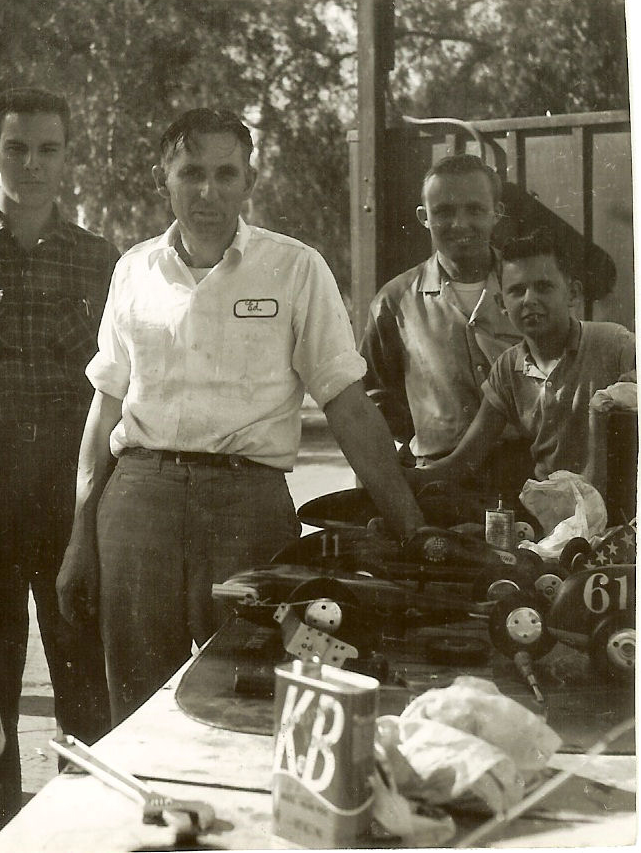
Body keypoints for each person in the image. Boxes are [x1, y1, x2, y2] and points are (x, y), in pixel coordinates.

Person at [56, 107, 424, 725]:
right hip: (139, 504)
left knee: (252, 694)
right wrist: (78, 540)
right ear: (162, 178)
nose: (208, 190)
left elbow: (347, 403)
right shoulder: (133, 271)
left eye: (227, 173)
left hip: (247, 507)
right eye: (190, 172)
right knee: (138, 707)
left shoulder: (296, 267)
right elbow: (106, 407)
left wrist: (412, 530)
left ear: (249, 181)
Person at [0, 87, 119, 846]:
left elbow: (119, 388)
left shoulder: (99, 260)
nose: (32, 164)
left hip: (71, 492)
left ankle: (82, 828)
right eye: (17, 147)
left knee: (82, 671)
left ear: (66, 156)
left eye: (48, 149)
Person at [408, 229, 636, 488]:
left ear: (572, 294)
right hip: (551, 515)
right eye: (517, 290)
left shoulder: (616, 345)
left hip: (618, 509)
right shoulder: (506, 370)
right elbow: (465, 461)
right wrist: (401, 477)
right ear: (502, 303)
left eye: (543, 287)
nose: (529, 300)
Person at [359, 153, 527, 490]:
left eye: (475, 210)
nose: (460, 223)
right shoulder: (395, 301)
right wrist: (430, 435)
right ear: (424, 217)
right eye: (444, 211)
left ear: (497, 212)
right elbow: (374, 394)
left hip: (525, 475)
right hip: (439, 483)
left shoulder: (528, 289)